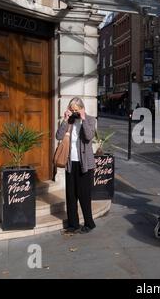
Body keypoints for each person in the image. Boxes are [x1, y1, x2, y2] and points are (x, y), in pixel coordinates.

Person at [56, 97, 96, 234]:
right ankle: (73, 224)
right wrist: (65, 120)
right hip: (70, 163)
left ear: (82, 109)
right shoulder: (70, 121)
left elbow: (89, 137)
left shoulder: (90, 119)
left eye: (76, 110)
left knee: (84, 195)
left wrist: (83, 119)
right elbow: (58, 136)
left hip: (85, 164)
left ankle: (89, 223)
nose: (74, 112)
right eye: (72, 110)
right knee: (71, 195)